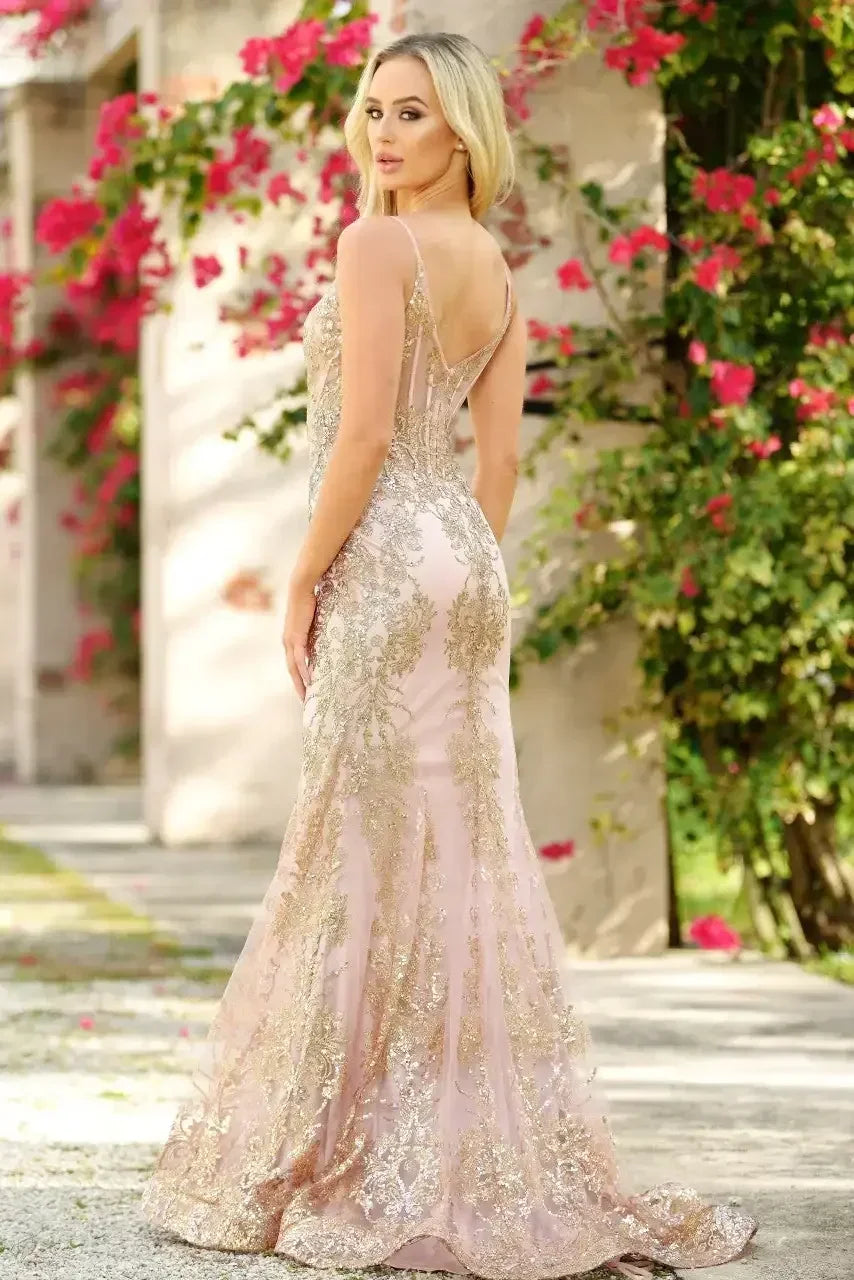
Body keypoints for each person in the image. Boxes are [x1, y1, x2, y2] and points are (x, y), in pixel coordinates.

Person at [140, 30, 758, 1280]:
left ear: (464, 132)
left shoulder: (378, 246)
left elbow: (361, 434)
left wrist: (309, 574)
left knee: (363, 843)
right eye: (371, 110)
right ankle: (447, 1128)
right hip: (464, 556)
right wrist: (456, 558)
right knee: (456, 842)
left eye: (410, 114)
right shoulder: (496, 267)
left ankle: (367, 1137)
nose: (380, 134)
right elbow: (502, 460)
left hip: (384, 552)